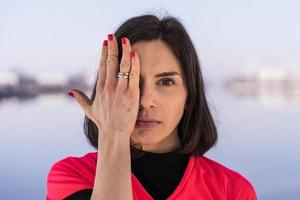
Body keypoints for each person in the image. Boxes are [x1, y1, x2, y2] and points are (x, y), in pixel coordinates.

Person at [46, 14, 258, 200]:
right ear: (106, 92)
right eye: (130, 80)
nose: (146, 100)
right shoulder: (71, 176)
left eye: (166, 82)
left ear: (189, 96)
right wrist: (114, 133)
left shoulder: (233, 190)